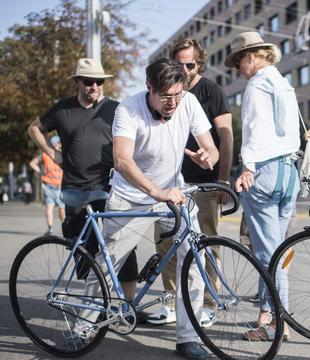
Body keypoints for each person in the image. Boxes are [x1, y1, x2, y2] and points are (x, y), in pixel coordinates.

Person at [80, 58, 218, 359]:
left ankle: (188, 338)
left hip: (174, 193)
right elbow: (122, 160)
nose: (172, 102)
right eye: (165, 96)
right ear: (149, 88)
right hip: (131, 195)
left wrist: (208, 155)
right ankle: (83, 327)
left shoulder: (189, 102)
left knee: (194, 259)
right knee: (106, 265)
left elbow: (211, 145)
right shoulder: (128, 110)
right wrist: (156, 191)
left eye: (177, 95)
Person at [27, 58, 140, 310]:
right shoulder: (62, 109)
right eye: (88, 82)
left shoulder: (115, 109)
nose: (94, 86)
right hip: (74, 190)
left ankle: (127, 306)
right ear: (78, 82)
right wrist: (51, 154)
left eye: (99, 82)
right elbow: (34, 129)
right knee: (84, 251)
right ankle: (94, 306)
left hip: (110, 187)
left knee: (124, 245)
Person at [147, 38, 233, 326]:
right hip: (170, 184)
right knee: (166, 244)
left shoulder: (210, 91)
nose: (184, 69)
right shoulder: (164, 92)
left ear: (200, 63)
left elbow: (226, 137)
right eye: (179, 63)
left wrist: (223, 178)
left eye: (190, 64)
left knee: (205, 245)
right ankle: (171, 302)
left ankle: (209, 304)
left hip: (205, 183)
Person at [225, 31, 298, 341]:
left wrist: (247, 167)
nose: (240, 69)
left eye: (240, 62)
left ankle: (275, 324)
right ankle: (269, 317)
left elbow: (254, 130)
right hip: (289, 170)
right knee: (276, 251)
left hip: (264, 171)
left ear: (251, 58)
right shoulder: (284, 84)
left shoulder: (256, 85)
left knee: (269, 254)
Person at [29, 135, 66, 235]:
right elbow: (32, 163)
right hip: (51, 185)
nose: (60, 144)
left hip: (60, 185)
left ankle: (63, 226)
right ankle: (52, 228)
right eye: (58, 143)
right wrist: (40, 172)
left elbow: (32, 163)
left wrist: (40, 172)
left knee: (61, 208)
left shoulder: (51, 154)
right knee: (52, 207)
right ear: (54, 144)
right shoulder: (54, 154)